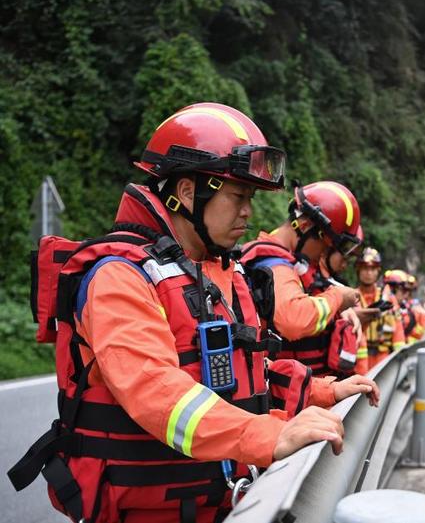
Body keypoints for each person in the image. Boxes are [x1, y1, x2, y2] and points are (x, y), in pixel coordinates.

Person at [8, 103, 378, 523]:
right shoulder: (119, 277)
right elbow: (157, 393)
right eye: (238, 196)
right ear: (187, 192)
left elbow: (242, 372)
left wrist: (321, 392)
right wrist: (269, 434)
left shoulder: (217, 270)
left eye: (251, 198)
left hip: (213, 505)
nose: (248, 212)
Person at [240, 181, 368, 377]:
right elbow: (293, 319)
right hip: (284, 398)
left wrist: (343, 310)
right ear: (305, 225)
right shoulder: (275, 265)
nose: (324, 254)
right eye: (326, 245)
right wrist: (338, 298)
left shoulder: (295, 262)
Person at [355, 249, 405, 368]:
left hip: (383, 357)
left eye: (372, 269)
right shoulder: (352, 296)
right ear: (358, 270)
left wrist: (401, 355)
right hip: (359, 359)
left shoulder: (387, 297)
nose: (369, 273)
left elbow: (398, 327)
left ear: (378, 271)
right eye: (365, 268)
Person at [403, 274, 425, 343]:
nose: (405, 292)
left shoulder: (416, 305)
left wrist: (410, 332)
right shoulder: (390, 304)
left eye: (406, 290)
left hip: (409, 342)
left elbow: (423, 325)